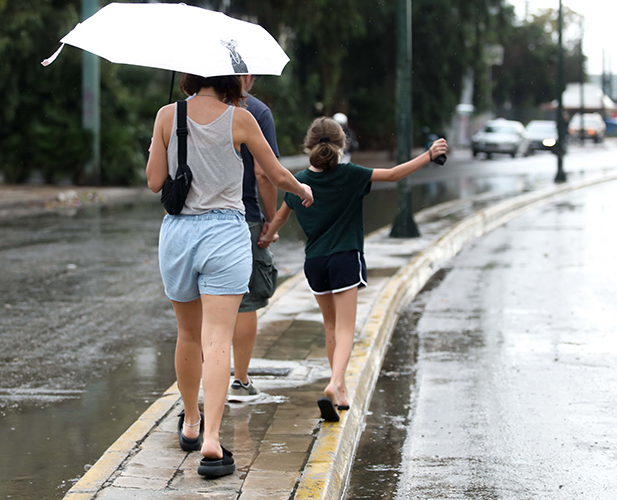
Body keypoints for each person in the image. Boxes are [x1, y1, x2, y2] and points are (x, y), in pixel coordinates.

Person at [146, 73, 313, 477]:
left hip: (179, 234)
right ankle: (212, 441)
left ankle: (189, 422)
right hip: (225, 233)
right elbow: (274, 174)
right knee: (217, 337)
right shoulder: (241, 118)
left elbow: (154, 182)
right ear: (229, 77)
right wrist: (302, 190)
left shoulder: (168, 116)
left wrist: (168, 145)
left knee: (188, 334)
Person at [259, 116, 446, 422]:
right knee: (347, 329)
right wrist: (428, 155)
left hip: (315, 263)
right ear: (342, 144)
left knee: (331, 327)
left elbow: (279, 217)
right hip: (345, 257)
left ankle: (341, 390)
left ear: (308, 146)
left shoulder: (299, 182)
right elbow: (395, 174)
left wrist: (267, 238)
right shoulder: (351, 175)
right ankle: (334, 382)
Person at [229, 74, 279, 403]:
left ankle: (195, 397)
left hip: (189, 218)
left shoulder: (178, 113)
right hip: (241, 216)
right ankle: (240, 379)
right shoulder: (255, 112)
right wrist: (271, 219)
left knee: (200, 310)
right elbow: (265, 172)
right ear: (245, 76)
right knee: (243, 303)